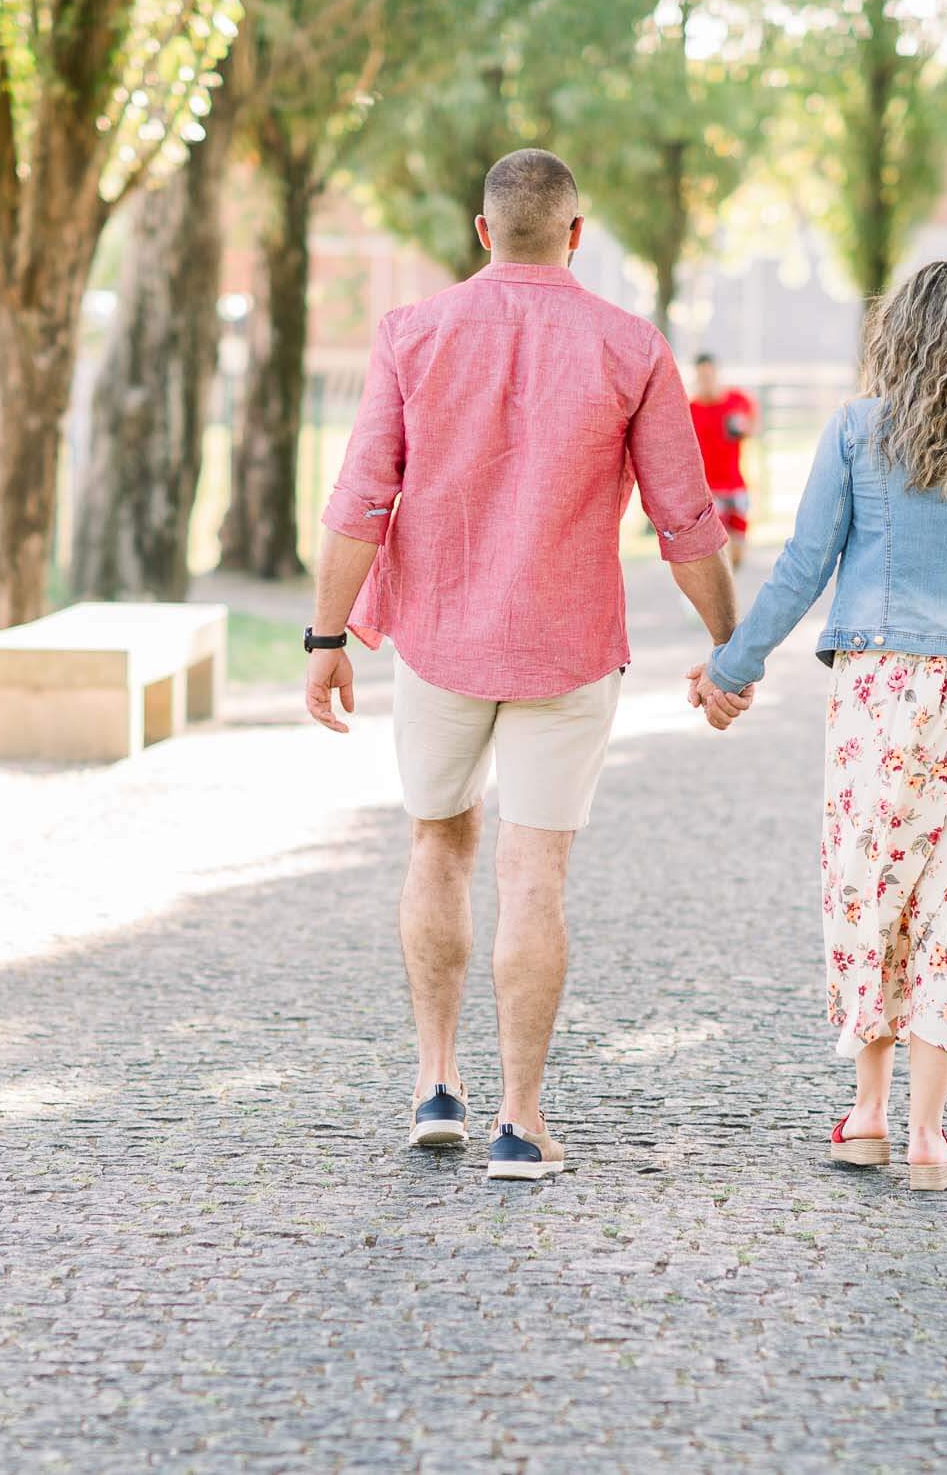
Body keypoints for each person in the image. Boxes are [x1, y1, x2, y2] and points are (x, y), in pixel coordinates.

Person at [304, 148, 740, 1182]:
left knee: (435, 846)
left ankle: (433, 1085)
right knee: (533, 871)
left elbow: (360, 499)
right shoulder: (629, 346)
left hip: (440, 641)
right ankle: (520, 1121)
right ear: (577, 235)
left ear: (482, 228)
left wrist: (325, 641)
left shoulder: (411, 333)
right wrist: (731, 645)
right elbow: (685, 519)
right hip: (565, 647)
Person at [688, 261, 947, 1191]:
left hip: (877, 695)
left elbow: (803, 565)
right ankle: (929, 1135)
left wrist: (728, 668)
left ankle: (865, 1116)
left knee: (868, 889)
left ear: (895, 331)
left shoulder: (858, 431)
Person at [688, 354, 759, 571]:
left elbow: (753, 424)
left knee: (738, 549)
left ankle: (728, 583)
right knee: (716, 547)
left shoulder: (735, 401)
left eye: (710, 375)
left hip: (735, 484)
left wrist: (745, 429)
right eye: (702, 376)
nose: (707, 380)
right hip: (709, 489)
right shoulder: (690, 409)